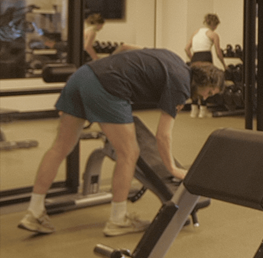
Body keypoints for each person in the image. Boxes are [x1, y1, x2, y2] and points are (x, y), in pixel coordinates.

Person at [17, 47, 224, 237]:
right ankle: (118, 219)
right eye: (210, 92)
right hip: (108, 87)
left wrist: (110, 69)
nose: (205, 98)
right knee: (130, 153)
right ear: (205, 82)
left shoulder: (175, 59)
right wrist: (172, 168)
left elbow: (125, 48)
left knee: (60, 147)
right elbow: (163, 135)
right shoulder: (181, 86)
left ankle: (34, 212)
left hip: (82, 75)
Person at [184, 13, 227, 118]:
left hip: (195, 59)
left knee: (196, 84)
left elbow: (186, 48)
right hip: (206, 59)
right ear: (215, 24)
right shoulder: (213, 34)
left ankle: (194, 111)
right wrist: (225, 65)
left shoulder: (196, 32)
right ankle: (203, 111)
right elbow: (218, 53)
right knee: (206, 84)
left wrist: (193, 59)